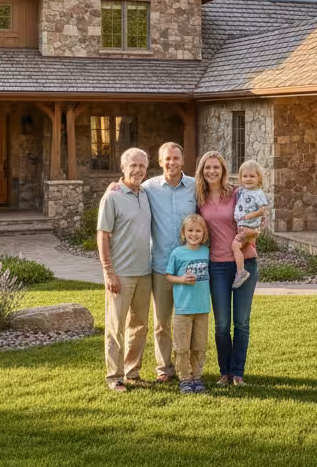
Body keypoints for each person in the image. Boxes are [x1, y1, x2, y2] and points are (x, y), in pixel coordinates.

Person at [109, 142, 197, 383]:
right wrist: (116, 185)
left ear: (182, 160)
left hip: (190, 267)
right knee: (162, 324)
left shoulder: (194, 187)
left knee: (190, 317)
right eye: (167, 158)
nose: (172, 162)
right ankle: (164, 370)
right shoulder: (149, 188)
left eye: (176, 158)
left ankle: (188, 368)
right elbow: (128, 187)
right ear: (159, 162)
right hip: (160, 267)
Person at [196, 150, 259, 387]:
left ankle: (238, 373)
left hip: (245, 262)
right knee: (222, 325)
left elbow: (259, 223)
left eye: (216, 167)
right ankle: (225, 372)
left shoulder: (237, 193)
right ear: (202, 171)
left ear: (223, 170)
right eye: (207, 167)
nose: (211, 171)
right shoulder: (199, 198)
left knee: (241, 322)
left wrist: (248, 234)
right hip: (217, 267)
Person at [96, 147, 153, 392]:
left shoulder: (147, 193)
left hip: (145, 272)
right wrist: (109, 271)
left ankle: (132, 372)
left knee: (140, 326)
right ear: (123, 167)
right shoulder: (112, 196)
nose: (138, 170)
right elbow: (103, 235)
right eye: (133, 165)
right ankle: (114, 376)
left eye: (142, 165)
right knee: (116, 327)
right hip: (120, 273)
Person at [165, 214, 211, 394]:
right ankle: (184, 378)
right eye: (190, 230)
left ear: (204, 233)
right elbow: (168, 276)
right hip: (183, 308)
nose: (194, 234)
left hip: (202, 307)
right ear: (183, 233)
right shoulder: (178, 253)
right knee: (182, 346)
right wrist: (182, 279)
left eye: (198, 231)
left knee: (199, 344)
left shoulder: (207, 252)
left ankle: (197, 377)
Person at [231, 160, 269, 290]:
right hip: (243, 226)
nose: (248, 179)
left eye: (252, 176)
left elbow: (263, 210)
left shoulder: (258, 193)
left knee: (235, 246)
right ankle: (241, 270)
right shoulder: (242, 190)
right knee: (238, 246)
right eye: (245, 176)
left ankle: (241, 272)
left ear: (259, 178)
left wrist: (250, 216)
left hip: (249, 227)